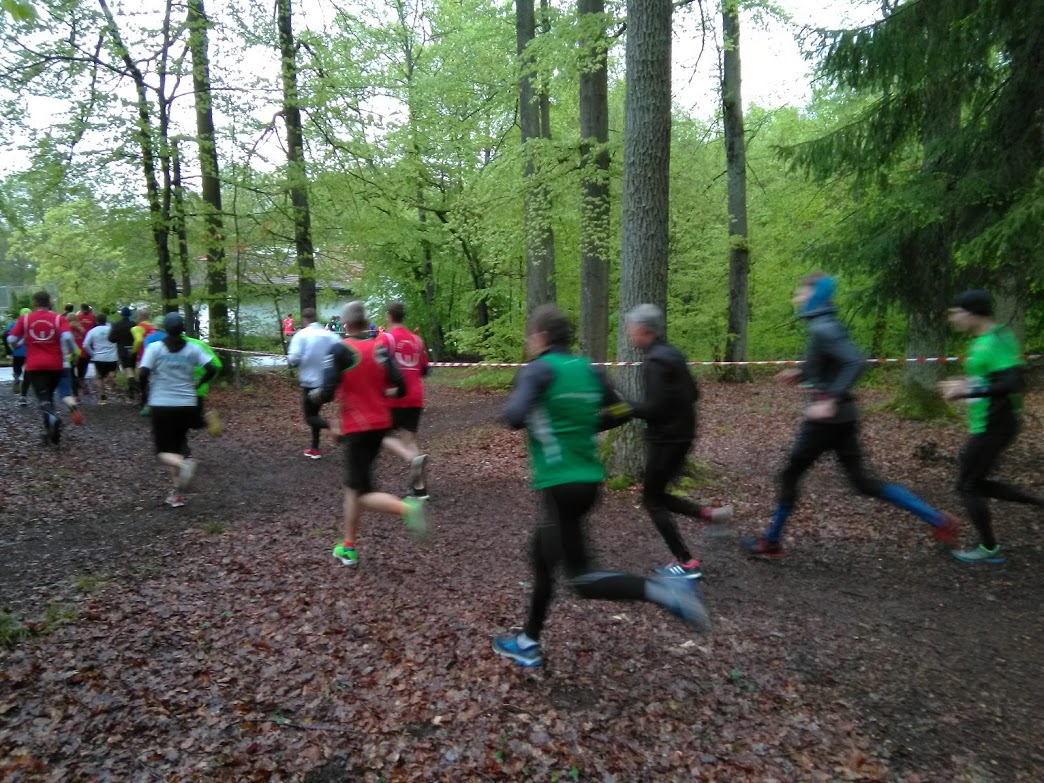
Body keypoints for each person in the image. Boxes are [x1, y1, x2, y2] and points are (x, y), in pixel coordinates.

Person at [491, 304, 711, 668]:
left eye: (531, 337)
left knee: (580, 579)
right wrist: (587, 425)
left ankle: (663, 591)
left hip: (560, 483)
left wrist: (527, 411)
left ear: (541, 337)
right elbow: (623, 410)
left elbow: (514, 416)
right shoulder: (590, 370)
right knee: (542, 558)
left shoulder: (537, 370)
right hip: (588, 482)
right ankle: (528, 640)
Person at [743, 273, 961, 558]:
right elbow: (832, 362)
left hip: (825, 421)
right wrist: (802, 372)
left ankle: (771, 541)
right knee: (862, 482)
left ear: (816, 295)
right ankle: (938, 520)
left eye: (802, 292)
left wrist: (828, 400)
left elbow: (854, 362)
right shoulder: (825, 324)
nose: (796, 298)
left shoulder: (823, 327)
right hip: (843, 418)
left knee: (790, 474)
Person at [624, 304, 734, 580]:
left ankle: (686, 562)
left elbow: (653, 409)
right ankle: (710, 516)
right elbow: (694, 394)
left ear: (643, 329)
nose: (628, 333)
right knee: (657, 495)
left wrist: (623, 406)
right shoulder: (673, 353)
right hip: (682, 436)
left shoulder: (655, 361)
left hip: (667, 439)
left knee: (651, 500)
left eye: (631, 328)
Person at [312, 301, 426, 567]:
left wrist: (314, 396)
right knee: (353, 487)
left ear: (345, 325)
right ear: (365, 323)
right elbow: (399, 386)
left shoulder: (340, 350)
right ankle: (348, 546)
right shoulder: (379, 348)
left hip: (358, 428)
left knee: (361, 492)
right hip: (381, 425)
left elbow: (327, 392)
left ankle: (408, 508)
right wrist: (381, 393)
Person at [939, 290, 1044, 563]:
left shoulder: (994, 341)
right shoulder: (989, 338)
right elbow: (992, 378)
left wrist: (966, 391)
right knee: (976, 481)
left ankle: (989, 548)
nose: (952, 318)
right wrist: (965, 384)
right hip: (988, 422)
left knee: (968, 485)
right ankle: (1037, 501)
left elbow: (1014, 382)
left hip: (996, 423)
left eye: (956, 312)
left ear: (972, 313)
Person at [139, 312, 219, 507]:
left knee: (162, 453)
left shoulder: (155, 348)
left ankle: (184, 464)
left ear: (165, 329)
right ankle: (176, 494)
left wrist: (145, 394)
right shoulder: (193, 348)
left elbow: (143, 373)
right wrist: (200, 382)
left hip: (162, 404)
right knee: (176, 448)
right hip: (187, 404)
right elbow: (212, 368)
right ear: (183, 328)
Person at [6, 291, 81, 444]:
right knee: (50, 396)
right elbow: (67, 337)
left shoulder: (25, 319)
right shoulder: (59, 319)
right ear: (49, 303)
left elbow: (11, 338)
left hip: (35, 365)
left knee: (43, 397)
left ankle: (52, 419)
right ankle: (49, 432)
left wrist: (16, 345)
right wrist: (74, 352)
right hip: (56, 364)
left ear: (34, 303)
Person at [380, 301, 431, 497]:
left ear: (389, 316)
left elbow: (378, 367)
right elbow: (424, 370)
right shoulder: (417, 341)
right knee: (409, 439)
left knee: (380, 435)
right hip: (415, 396)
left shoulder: (385, 339)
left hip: (394, 396)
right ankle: (420, 489)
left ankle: (410, 458)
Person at [287, 307, 340, 458]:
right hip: (327, 383)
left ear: (304, 320)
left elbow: (293, 358)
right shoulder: (330, 335)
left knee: (309, 417)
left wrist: (293, 360)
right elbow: (341, 351)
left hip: (310, 383)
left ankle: (332, 425)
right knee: (315, 414)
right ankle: (315, 448)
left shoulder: (301, 335)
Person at [83, 313, 119, 404]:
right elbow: (117, 341)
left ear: (96, 321)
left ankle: (103, 398)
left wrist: (92, 354)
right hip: (112, 356)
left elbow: (85, 345)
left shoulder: (93, 331)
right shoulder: (111, 329)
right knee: (111, 372)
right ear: (106, 320)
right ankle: (112, 378)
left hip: (98, 357)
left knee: (99, 377)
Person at [109, 306, 138, 401]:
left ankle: (132, 390)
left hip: (122, 350)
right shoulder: (134, 324)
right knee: (132, 368)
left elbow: (111, 339)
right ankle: (133, 390)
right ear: (130, 314)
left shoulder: (117, 325)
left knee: (128, 370)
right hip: (133, 349)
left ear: (121, 314)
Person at [131, 310, 157, 413]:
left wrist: (134, 351)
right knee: (153, 379)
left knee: (143, 380)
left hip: (143, 357)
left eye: (137, 316)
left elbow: (138, 340)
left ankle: (144, 401)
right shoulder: (154, 327)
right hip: (156, 357)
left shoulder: (138, 328)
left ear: (140, 317)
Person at [5, 307, 31, 404]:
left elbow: (7, 335)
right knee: (28, 371)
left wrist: (13, 345)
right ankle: (25, 388)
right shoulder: (32, 324)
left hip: (17, 351)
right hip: (29, 352)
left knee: (17, 367)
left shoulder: (14, 324)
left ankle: (16, 377)